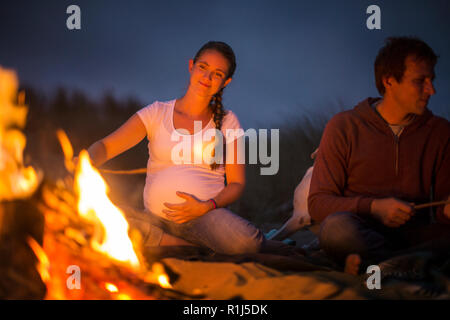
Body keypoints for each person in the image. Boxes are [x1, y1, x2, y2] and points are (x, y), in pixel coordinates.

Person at [84, 41, 265, 255]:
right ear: (191, 66)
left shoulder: (228, 121)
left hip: (206, 219)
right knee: (103, 218)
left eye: (217, 74)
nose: (207, 78)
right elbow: (105, 146)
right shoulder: (157, 113)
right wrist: (85, 161)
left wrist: (207, 205)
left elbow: (236, 183)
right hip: (154, 218)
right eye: (203, 67)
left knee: (248, 242)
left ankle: (179, 246)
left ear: (226, 81)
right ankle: (189, 247)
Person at [308, 36, 450, 273]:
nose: (431, 90)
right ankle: (406, 264)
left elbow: (442, 209)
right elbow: (318, 203)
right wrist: (374, 207)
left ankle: (384, 265)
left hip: (415, 236)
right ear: (389, 81)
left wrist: (446, 210)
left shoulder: (441, 131)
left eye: (432, 80)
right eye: (420, 81)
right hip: (362, 232)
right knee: (336, 230)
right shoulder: (344, 126)